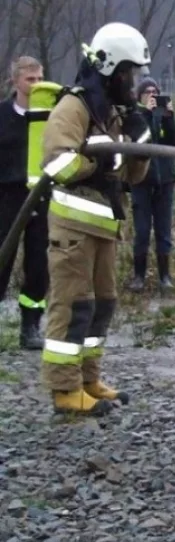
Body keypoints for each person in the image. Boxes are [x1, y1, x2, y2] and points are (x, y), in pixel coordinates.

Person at [40, 22, 152, 416]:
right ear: (110, 69)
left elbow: (130, 178)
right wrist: (96, 161)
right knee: (73, 306)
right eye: (129, 73)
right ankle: (65, 390)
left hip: (104, 227)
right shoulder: (75, 106)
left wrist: (140, 147)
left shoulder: (112, 114)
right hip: (72, 227)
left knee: (103, 304)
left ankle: (89, 378)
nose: (132, 81)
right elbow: (56, 162)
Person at [0, 56, 47, 349]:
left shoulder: (49, 116)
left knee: (39, 265)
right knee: (2, 260)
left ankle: (30, 326)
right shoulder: (3, 115)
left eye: (40, 79)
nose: (36, 84)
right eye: (31, 79)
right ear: (15, 81)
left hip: (41, 197)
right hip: (7, 197)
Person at [128, 76, 175, 292]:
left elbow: (174, 141)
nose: (152, 96)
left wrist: (169, 117)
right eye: (147, 93)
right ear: (140, 97)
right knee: (141, 230)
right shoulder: (136, 116)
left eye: (155, 93)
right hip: (142, 180)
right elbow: (143, 140)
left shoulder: (163, 116)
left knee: (163, 230)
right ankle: (138, 276)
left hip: (165, 179)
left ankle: (164, 275)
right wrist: (148, 114)